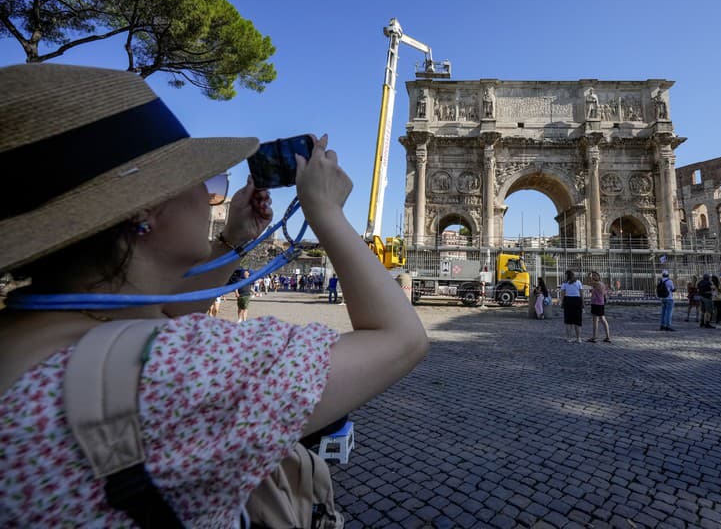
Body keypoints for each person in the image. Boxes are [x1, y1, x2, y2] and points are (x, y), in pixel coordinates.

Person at [0, 64, 429, 526]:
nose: (214, 197)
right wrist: (325, 213)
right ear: (145, 208)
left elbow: (163, 310)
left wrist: (231, 240)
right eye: (204, 184)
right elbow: (400, 337)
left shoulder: (33, 330)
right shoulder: (177, 369)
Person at [586, 272, 611, 342]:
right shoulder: (601, 284)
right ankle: (607, 336)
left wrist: (588, 275)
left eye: (594, 276)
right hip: (601, 303)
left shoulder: (597, 283)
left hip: (596, 304)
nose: (593, 277)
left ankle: (594, 337)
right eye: (593, 276)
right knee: (603, 320)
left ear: (598, 277)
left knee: (595, 321)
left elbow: (587, 283)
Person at [561, 270, 584, 343]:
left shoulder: (564, 283)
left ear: (567, 275)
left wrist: (562, 302)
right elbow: (581, 293)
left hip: (568, 300)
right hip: (577, 301)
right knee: (577, 321)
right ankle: (578, 338)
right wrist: (582, 303)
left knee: (568, 321)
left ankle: (569, 338)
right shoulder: (578, 282)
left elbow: (562, 294)